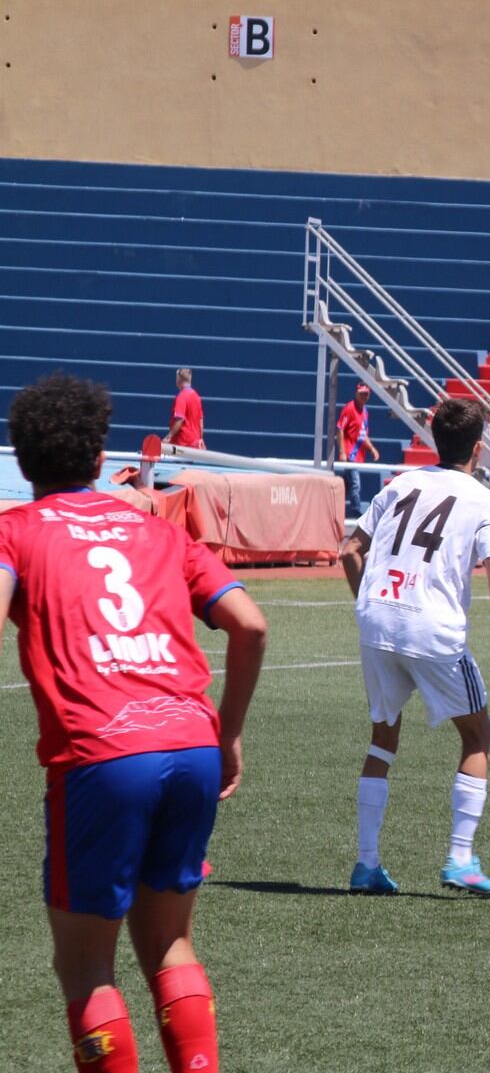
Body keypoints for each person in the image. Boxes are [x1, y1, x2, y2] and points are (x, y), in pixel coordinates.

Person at [0, 372, 268, 1072]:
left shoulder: (14, 531)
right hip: (189, 743)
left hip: (103, 755)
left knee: (87, 965)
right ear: (99, 458)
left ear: (22, 462)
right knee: (170, 945)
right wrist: (228, 731)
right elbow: (250, 624)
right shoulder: (156, 531)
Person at [338, 399, 490, 898]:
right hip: (432, 628)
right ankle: (461, 859)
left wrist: (371, 601)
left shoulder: (400, 483)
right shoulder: (482, 499)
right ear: (476, 448)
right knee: (477, 733)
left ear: (433, 441)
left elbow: (348, 550)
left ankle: (366, 864)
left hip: (377, 617)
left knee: (382, 735)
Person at [337, 383, 381, 517]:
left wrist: (372, 449)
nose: (364, 396)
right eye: (362, 394)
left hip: (358, 455)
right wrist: (342, 451)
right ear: (356, 393)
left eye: (366, 394)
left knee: (345, 484)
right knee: (355, 484)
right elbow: (340, 429)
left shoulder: (365, 411)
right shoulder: (349, 408)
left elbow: (363, 435)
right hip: (350, 454)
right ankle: (356, 511)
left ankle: (336, 508)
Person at [166, 368, 204, 449]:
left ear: (178, 379)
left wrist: (169, 437)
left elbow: (180, 419)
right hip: (194, 443)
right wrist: (200, 439)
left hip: (182, 444)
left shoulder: (181, 397)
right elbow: (200, 421)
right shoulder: (197, 396)